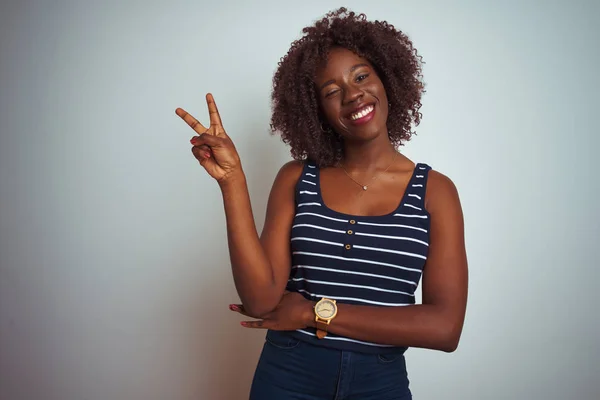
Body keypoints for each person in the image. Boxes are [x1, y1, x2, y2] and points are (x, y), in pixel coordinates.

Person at [176, 7, 468, 399]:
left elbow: (444, 328)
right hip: (288, 374)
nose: (353, 95)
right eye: (332, 92)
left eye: (361, 76)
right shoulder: (297, 178)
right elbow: (261, 300)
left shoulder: (435, 191)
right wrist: (232, 182)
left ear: (387, 78)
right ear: (317, 112)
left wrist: (313, 311)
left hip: (380, 383)